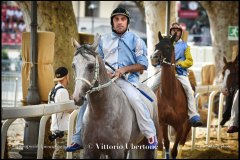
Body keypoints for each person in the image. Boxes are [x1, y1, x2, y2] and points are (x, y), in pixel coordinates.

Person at [66, 7, 158, 152]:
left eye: (123, 19)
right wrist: (106, 71)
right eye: (116, 19)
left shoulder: (137, 40)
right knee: (86, 101)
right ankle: (77, 138)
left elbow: (143, 64)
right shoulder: (103, 40)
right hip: (105, 80)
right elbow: (98, 61)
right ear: (112, 22)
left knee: (134, 98)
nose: (120, 22)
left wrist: (124, 70)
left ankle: (150, 133)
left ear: (127, 22)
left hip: (128, 81)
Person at [169, 22, 203, 127]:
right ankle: (148, 110)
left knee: (189, 90)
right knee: (152, 86)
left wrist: (179, 64)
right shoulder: (166, 43)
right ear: (171, 32)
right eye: (173, 30)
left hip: (180, 74)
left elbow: (190, 61)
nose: (175, 32)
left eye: (177, 31)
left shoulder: (185, 46)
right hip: (166, 72)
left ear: (181, 33)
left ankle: (193, 115)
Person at [49, 67, 72, 159]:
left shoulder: (52, 90)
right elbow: (68, 110)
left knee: (59, 151)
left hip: (55, 125)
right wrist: (78, 108)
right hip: (62, 128)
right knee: (60, 153)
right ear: (66, 76)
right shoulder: (63, 91)